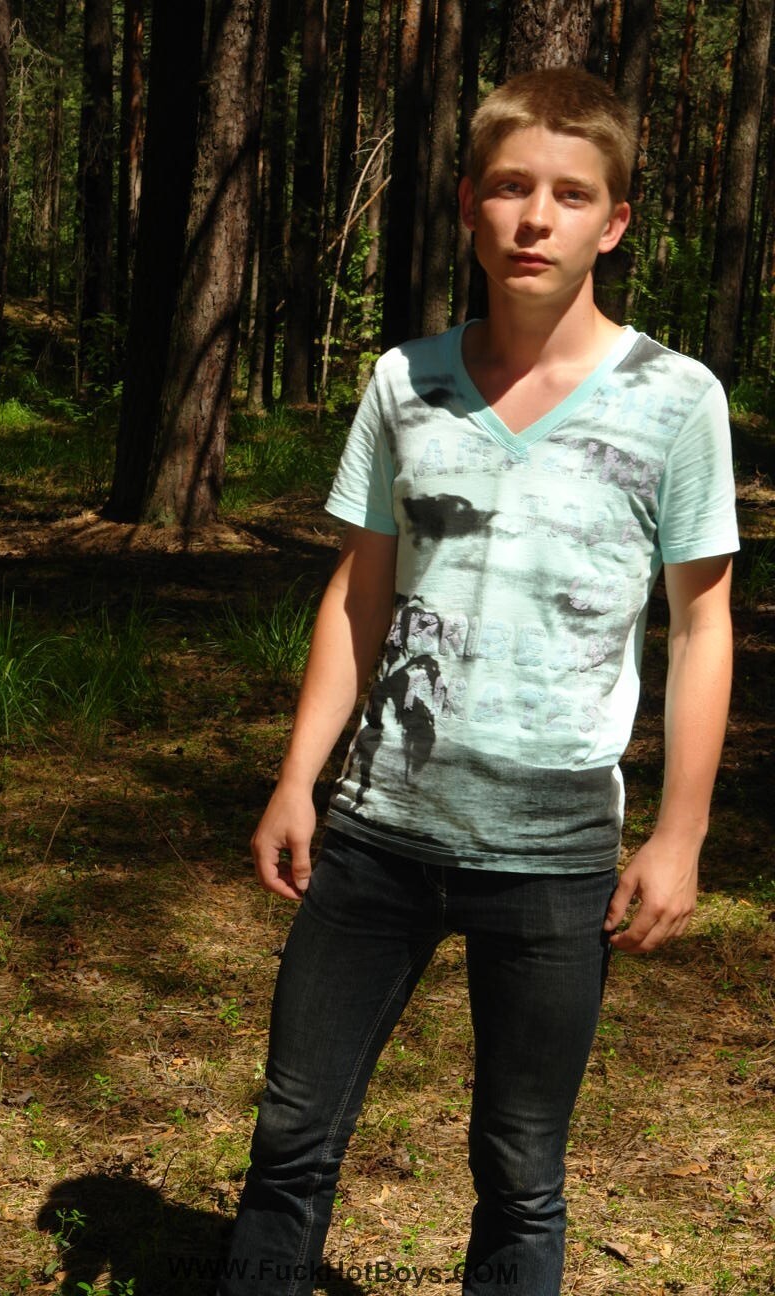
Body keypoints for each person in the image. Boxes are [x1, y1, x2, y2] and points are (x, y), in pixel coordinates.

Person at [219, 67, 738, 1296]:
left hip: (556, 854)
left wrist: (680, 833)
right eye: (510, 187)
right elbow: (360, 594)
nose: (535, 218)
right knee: (291, 1139)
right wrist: (297, 779)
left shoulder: (678, 401)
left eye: (570, 195)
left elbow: (702, 626)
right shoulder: (405, 382)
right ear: (469, 204)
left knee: (521, 1170)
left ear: (614, 222)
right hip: (377, 833)